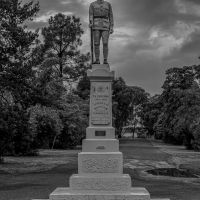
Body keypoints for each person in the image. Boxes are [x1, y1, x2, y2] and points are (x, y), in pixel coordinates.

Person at [89, 0, 114, 64]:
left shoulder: (108, 4)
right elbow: (91, 14)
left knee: (105, 43)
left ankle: (105, 59)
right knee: (96, 43)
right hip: (96, 25)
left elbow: (111, 16)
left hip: (105, 25)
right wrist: (91, 22)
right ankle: (97, 60)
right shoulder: (92, 4)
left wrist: (111, 27)